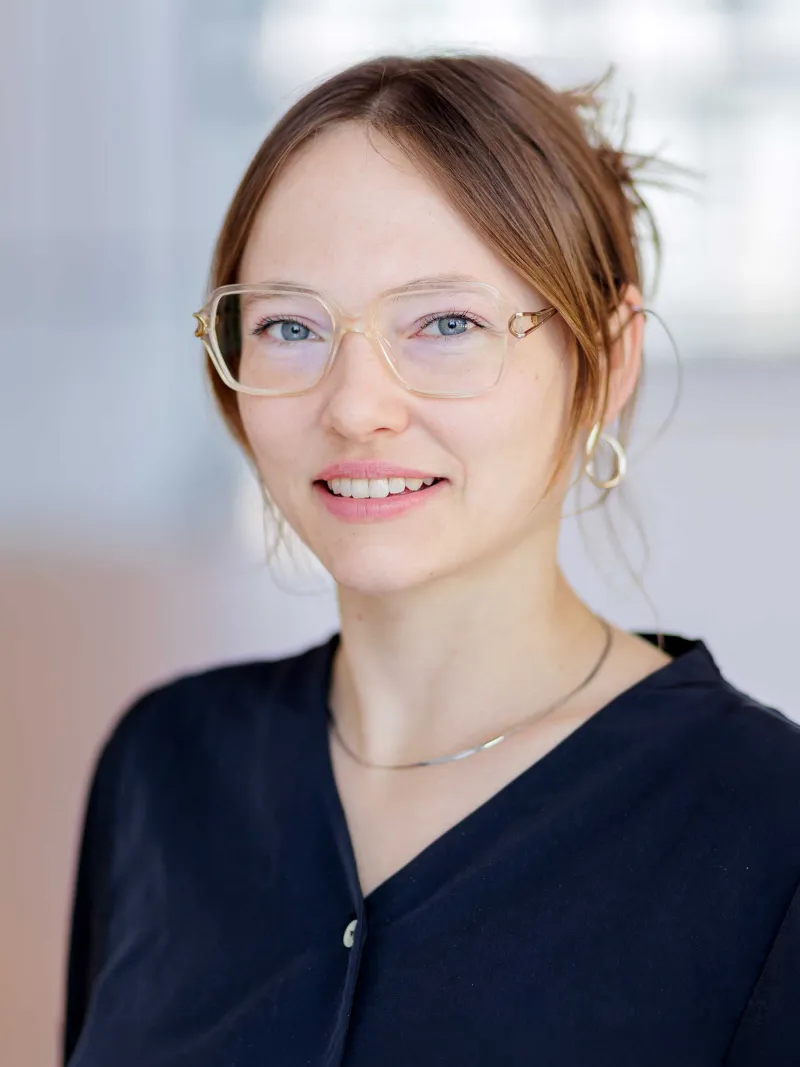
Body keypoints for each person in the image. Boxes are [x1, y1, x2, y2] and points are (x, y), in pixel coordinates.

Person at [62, 54, 800, 1066]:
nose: (356, 404)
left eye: (447, 323)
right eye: (289, 325)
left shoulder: (764, 820)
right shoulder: (165, 767)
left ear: (607, 359)